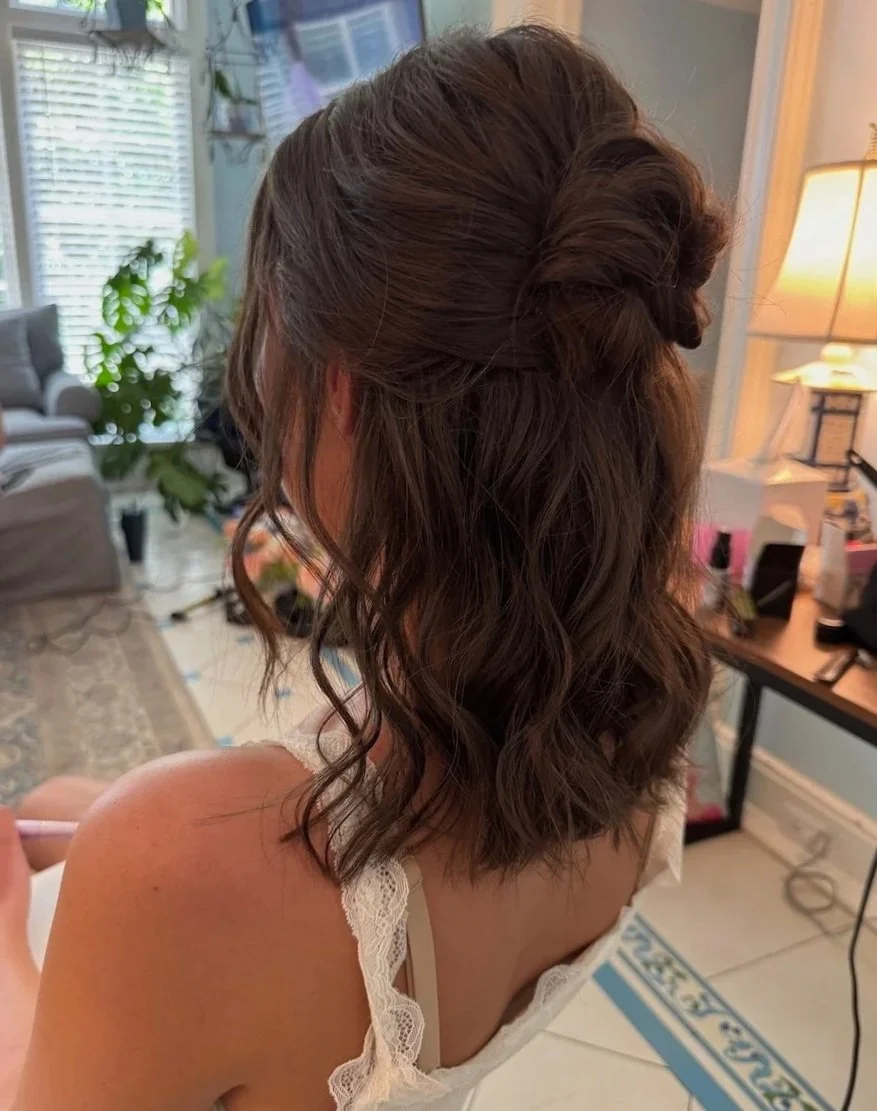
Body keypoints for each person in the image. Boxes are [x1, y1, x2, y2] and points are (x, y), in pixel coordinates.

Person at [0, 24, 727, 1111]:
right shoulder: (651, 704)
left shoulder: (174, 865)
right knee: (60, 796)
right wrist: (106, 829)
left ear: (335, 385)